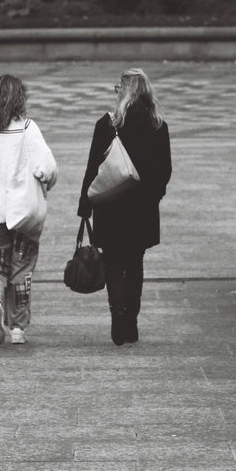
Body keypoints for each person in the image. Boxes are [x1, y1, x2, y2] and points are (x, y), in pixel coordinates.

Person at [78, 67, 171, 346]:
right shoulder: (158, 126)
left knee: (114, 263)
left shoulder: (107, 126)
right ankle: (131, 319)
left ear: (124, 92)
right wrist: (153, 197)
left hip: (111, 208)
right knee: (135, 262)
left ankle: (118, 317)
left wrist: (85, 205)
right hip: (142, 211)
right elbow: (165, 170)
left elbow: (93, 169)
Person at [0, 74, 58, 346]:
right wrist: (44, 180)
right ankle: (18, 328)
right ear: (20, 99)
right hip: (23, 215)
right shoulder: (28, 129)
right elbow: (48, 167)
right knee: (22, 269)